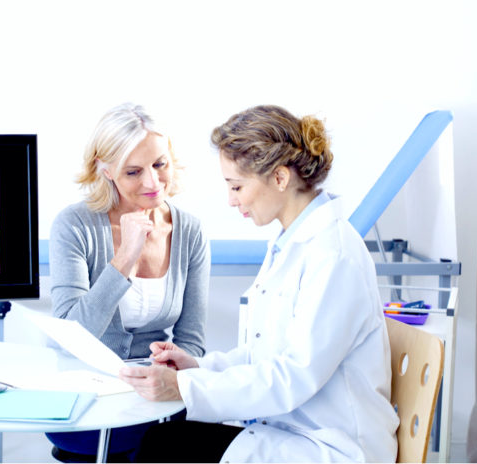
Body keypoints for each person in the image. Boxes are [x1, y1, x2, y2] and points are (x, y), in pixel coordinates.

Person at [119, 104, 399, 463]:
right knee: (162, 439)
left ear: (280, 178)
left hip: (331, 444)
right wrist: (196, 368)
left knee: (165, 447)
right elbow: (263, 354)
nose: (231, 200)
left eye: (236, 186)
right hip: (290, 428)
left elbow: (293, 376)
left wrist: (184, 388)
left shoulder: (333, 255)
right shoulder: (290, 242)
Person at [47, 102, 210, 461]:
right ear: (106, 171)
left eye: (159, 164)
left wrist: (171, 368)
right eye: (133, 171)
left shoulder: (190, 232)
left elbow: (193, 345)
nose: (152, 182)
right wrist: (124, 260)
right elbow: (69, 334)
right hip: (86, 392)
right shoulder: (73, 226)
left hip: (157, 395)